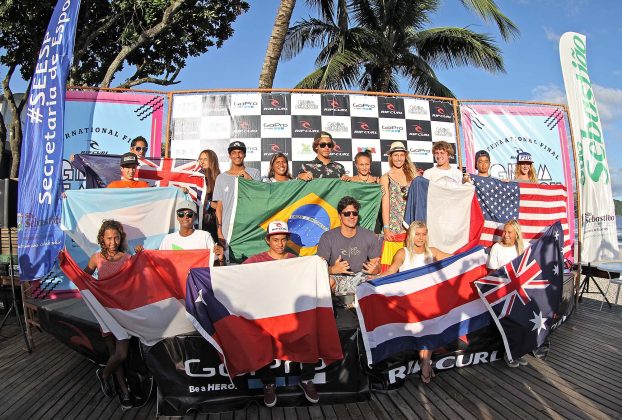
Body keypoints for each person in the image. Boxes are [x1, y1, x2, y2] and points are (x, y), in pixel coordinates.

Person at [242, 221, 317, 406]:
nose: (280, 244)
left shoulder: (295, 261)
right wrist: (218, 261)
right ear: (268, 240)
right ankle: (268, 383)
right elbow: (235, 276)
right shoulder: (256, 260)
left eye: (283, 239)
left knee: (309, 335)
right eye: (275, 240)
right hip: (267, 316)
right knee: (256, 339)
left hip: (290, 314)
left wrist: (326, 270)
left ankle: (307, 379)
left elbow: (312, 276)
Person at [380, 221, 451, 384]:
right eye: (417, 234)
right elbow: (391, 271)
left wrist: (475, 254)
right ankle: (426, 364)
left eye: (424, 234)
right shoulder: (403, 252)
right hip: (408, 303)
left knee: (430, 322)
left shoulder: (432, 252)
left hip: (428, 302)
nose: (421, 237)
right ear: (411, 235)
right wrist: (374, 279)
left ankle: (425, 363)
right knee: (424, 325)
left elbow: (456, 258)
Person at [84, 220, 134, 409]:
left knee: (121, 354)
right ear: (102, 240)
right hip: (103, 312)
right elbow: (83, 279)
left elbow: (135, 283)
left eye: (116, 238)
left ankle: (104, 374)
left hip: (122, 312)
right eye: (108, 238)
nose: (112, 242)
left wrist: (140, 258)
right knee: (114, 352)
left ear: (121, 238)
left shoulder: (128, 258)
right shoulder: (96, 258)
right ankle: (126, 393)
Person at [317, 196, 382, 306]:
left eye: (354, 213)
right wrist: (333, 269)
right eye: (347, 214)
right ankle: (329, 316)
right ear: (339, 216)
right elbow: (318, 269)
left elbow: (377, 266)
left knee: (382, 281)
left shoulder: (369, 235)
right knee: (325, 282)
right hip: (338, 279)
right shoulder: (327, 237)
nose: (351, 216)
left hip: (363, 278)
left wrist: (375, 269)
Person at [486, 219, 528, 368]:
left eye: (509, 232)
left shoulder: (523, 248)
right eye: (505, 231)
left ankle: (519, 351)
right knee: (508, 325)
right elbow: (492, 272)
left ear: (516, 234)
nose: (506, 235)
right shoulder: (497, 247)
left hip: (520, 292)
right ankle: (509, 354)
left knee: (521, 323)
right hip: (503, 292)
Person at [212, 141, 261, 249]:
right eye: (234, 152)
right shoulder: (221, 178)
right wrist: (219, 231)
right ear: (229, 155)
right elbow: (219, 207)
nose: (237, 155)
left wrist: (249, 180)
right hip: (228, 229)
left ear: (245, 155)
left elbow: (260, 198)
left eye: (240, 152)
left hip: (250, 227)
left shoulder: (254, 173)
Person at [379, 141, 417, 271]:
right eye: (396, 155)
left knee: (410, 262)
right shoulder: (385, 178)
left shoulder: (413, 176)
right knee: (391, 263)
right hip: (394, 227)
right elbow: (385, 204)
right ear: (391, 157)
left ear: (405, 156)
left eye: (401, 155)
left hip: (410, 225)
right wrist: (386, 228)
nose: (399, 158)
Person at [159, 200, 225, 265]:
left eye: (189, 214)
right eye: (181, 214)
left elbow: (215, 267)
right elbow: (159, 265)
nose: (185, 217)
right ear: (177, 217)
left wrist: (221, 259)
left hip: (198, 276)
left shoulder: (204, 237)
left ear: (195, 217)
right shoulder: (167, 240)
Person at [196, 149, 221, 242]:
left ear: (212, 160)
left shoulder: (220, 178)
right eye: (200, 159)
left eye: (205, 159)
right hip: (196, 222)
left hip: (213, 223)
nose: (202, 161)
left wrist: (208, 203)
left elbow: (221, 204)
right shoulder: (195, 178)